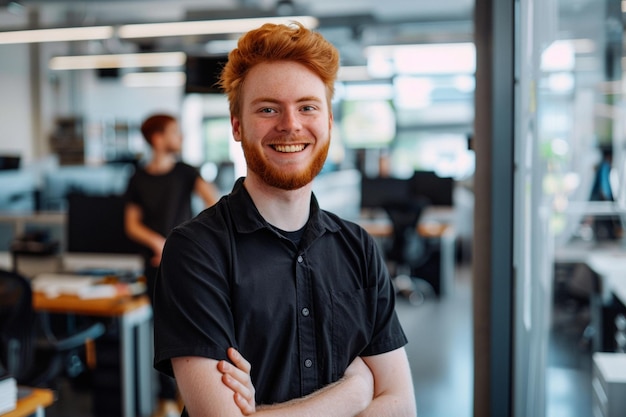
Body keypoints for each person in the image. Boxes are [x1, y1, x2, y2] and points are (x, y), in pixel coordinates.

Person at [153, 22, 417, 417]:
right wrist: (355, 393)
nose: (290, 124)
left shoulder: (358, 247)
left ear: (328, 122)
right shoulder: (197, 251)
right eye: (268, 109)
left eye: (308, 107)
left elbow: (401, 407)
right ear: (237, 126)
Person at [123, 113, 219, 417]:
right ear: (157, 138)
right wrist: (158, 243)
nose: (181, 138)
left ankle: (194, 397)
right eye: (175, 133)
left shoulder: (185, 172)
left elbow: (214, 204)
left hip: (186, 265)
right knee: (161, 333)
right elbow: (132, 224)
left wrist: (185, 243)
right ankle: (166, 399)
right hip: (154, 265)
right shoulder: (138, 178)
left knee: (193, 332)